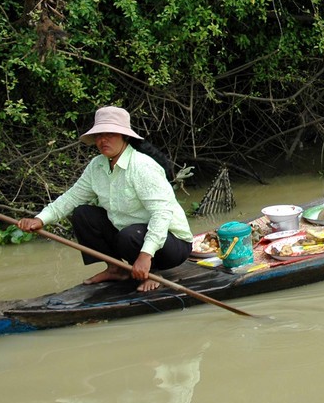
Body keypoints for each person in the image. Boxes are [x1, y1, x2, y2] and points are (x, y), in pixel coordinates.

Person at [17, 106, 194, 292]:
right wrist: (40, 219)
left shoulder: (142, 166)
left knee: (130, 234)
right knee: (83, 214)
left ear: (124, 137)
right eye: (99, 135)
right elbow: (72, 197)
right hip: (130, 237)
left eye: (110, 134)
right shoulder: (97, 166)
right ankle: (116, 268)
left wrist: (145, 255)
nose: (103, 140)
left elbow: (162, 213)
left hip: (170, 244)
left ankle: (154, 273)